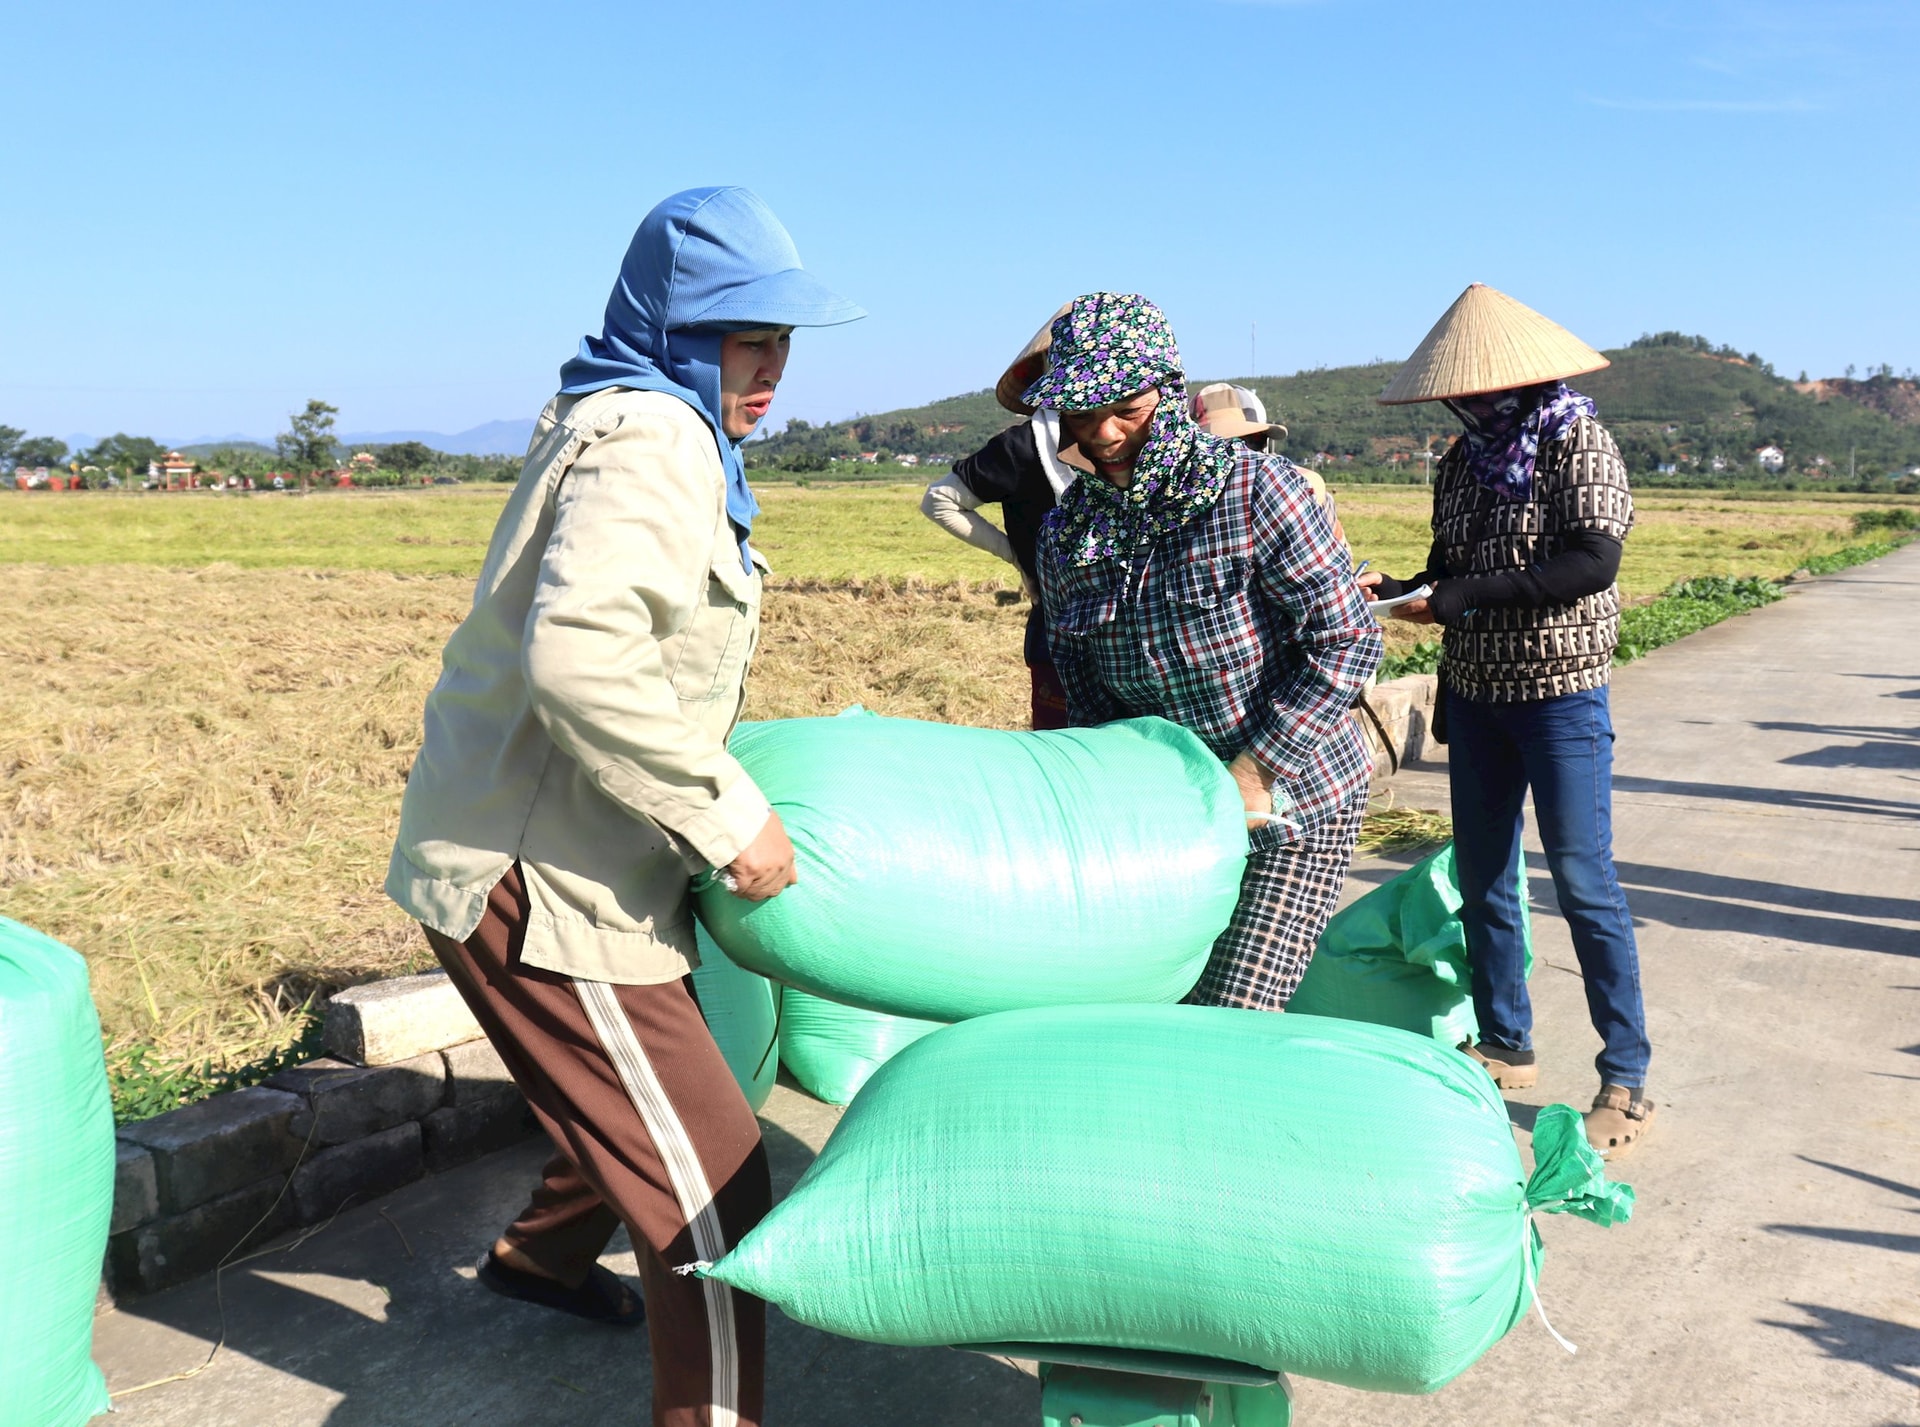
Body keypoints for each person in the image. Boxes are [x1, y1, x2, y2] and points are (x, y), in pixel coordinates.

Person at [385, 186, 862, 1426]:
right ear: (672, 328)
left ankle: (538, 1259)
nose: (768, 369)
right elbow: (583, 656)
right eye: (740, 337)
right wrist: (725, 814)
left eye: (781, 340)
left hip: (566, 856)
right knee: (713, 1182)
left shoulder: (634, 416)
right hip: (543, 879)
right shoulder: (657, 433)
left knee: (650, 1091)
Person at [1359, 281, 1654, 1158]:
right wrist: (1406, 588)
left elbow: (1591, 563)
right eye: (1462, 395)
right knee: (1485, 873)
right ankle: (1505, 1040)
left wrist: (1456, 597)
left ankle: (1627, 1075)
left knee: (1582, 881)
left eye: (1484, 391)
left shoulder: (1577, 442)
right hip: (1479, 695)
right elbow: (1453, 564)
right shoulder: (1459, 463)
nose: (1472, 404)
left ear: (1520, 382)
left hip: (1561, 695)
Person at [1031, 293, 1381, 1009]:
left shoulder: (1256, 491)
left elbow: (1348, 639)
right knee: (1160, 998)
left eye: (1126, 408)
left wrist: (1253, 774)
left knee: (1231, 1011)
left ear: (1166, 387)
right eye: (1081, 411)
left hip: (1292, 797)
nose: (1103, 431)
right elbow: (1086, 687)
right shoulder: (1070, 533)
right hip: (1174, 809)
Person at [919, 303, 1082, 728]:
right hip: (1061, 631)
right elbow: (939, 500)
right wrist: (1016, 554)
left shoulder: (1127, 436)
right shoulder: (1023, 447)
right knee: (1063, 756)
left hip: (1128, 632)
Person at [1190, 382, 1347, 550]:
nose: (1242, 455)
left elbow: (1338, 564)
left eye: (1251, 442)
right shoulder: (1174, 507)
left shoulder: (1304, 488)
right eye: (1223, 445)